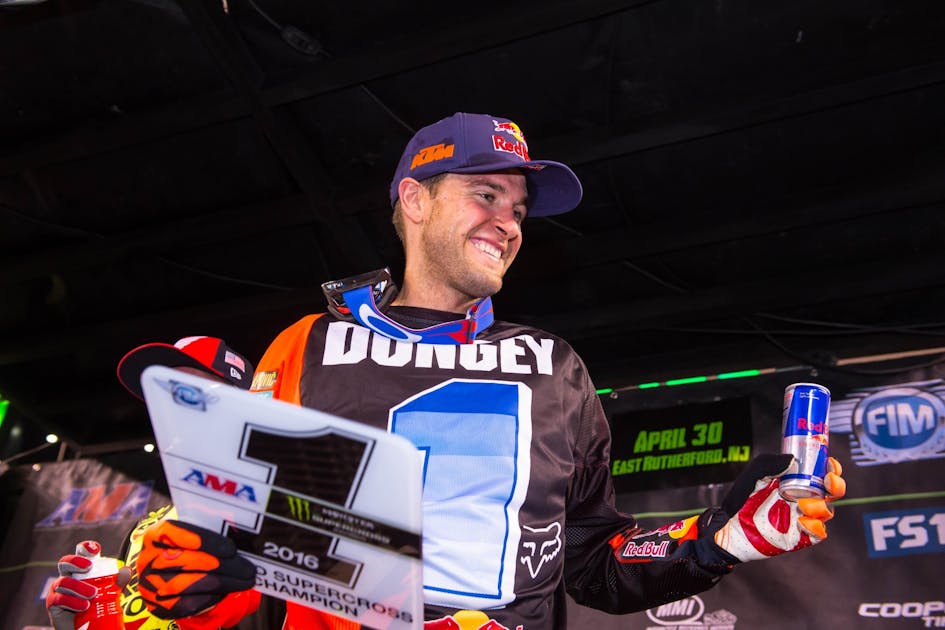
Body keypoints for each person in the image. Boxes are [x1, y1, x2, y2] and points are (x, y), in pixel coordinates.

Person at [135, 113, 847, 629]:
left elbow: (593, 563)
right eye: (485, 194)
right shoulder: (309, 345)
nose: (508, 222)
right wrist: (197, 583)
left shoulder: (555, 366)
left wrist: (721, 539)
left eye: (518, 208)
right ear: (415, 199)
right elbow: (246, 548)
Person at [46, 336, 261, 630]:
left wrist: (204, 605)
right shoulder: (147, 528)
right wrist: (90, 621)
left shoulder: (282, 513)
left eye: (192, 394)